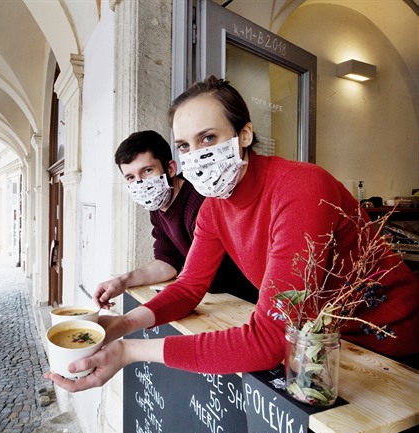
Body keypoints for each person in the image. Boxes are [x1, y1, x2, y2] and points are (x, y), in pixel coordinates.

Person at [45, 76, 419, 392]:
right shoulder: (214, 208)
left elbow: (268, 341)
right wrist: (122, 324)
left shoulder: (301, 188)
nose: (196, 155)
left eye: (208, 138)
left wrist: (129, 352)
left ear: (244, 134)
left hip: (394, 350)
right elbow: (190, 286)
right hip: (325, 349)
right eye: (184, 145)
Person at [93, 130, 257, 309]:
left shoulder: (201, 200)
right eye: (131, 178)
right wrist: (123, 281)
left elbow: (210, 272)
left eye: (147, 171)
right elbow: (168, 262)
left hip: (246, 299)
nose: (140, 184)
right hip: (217, 301)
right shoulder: (158, 205)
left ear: (171, 168)